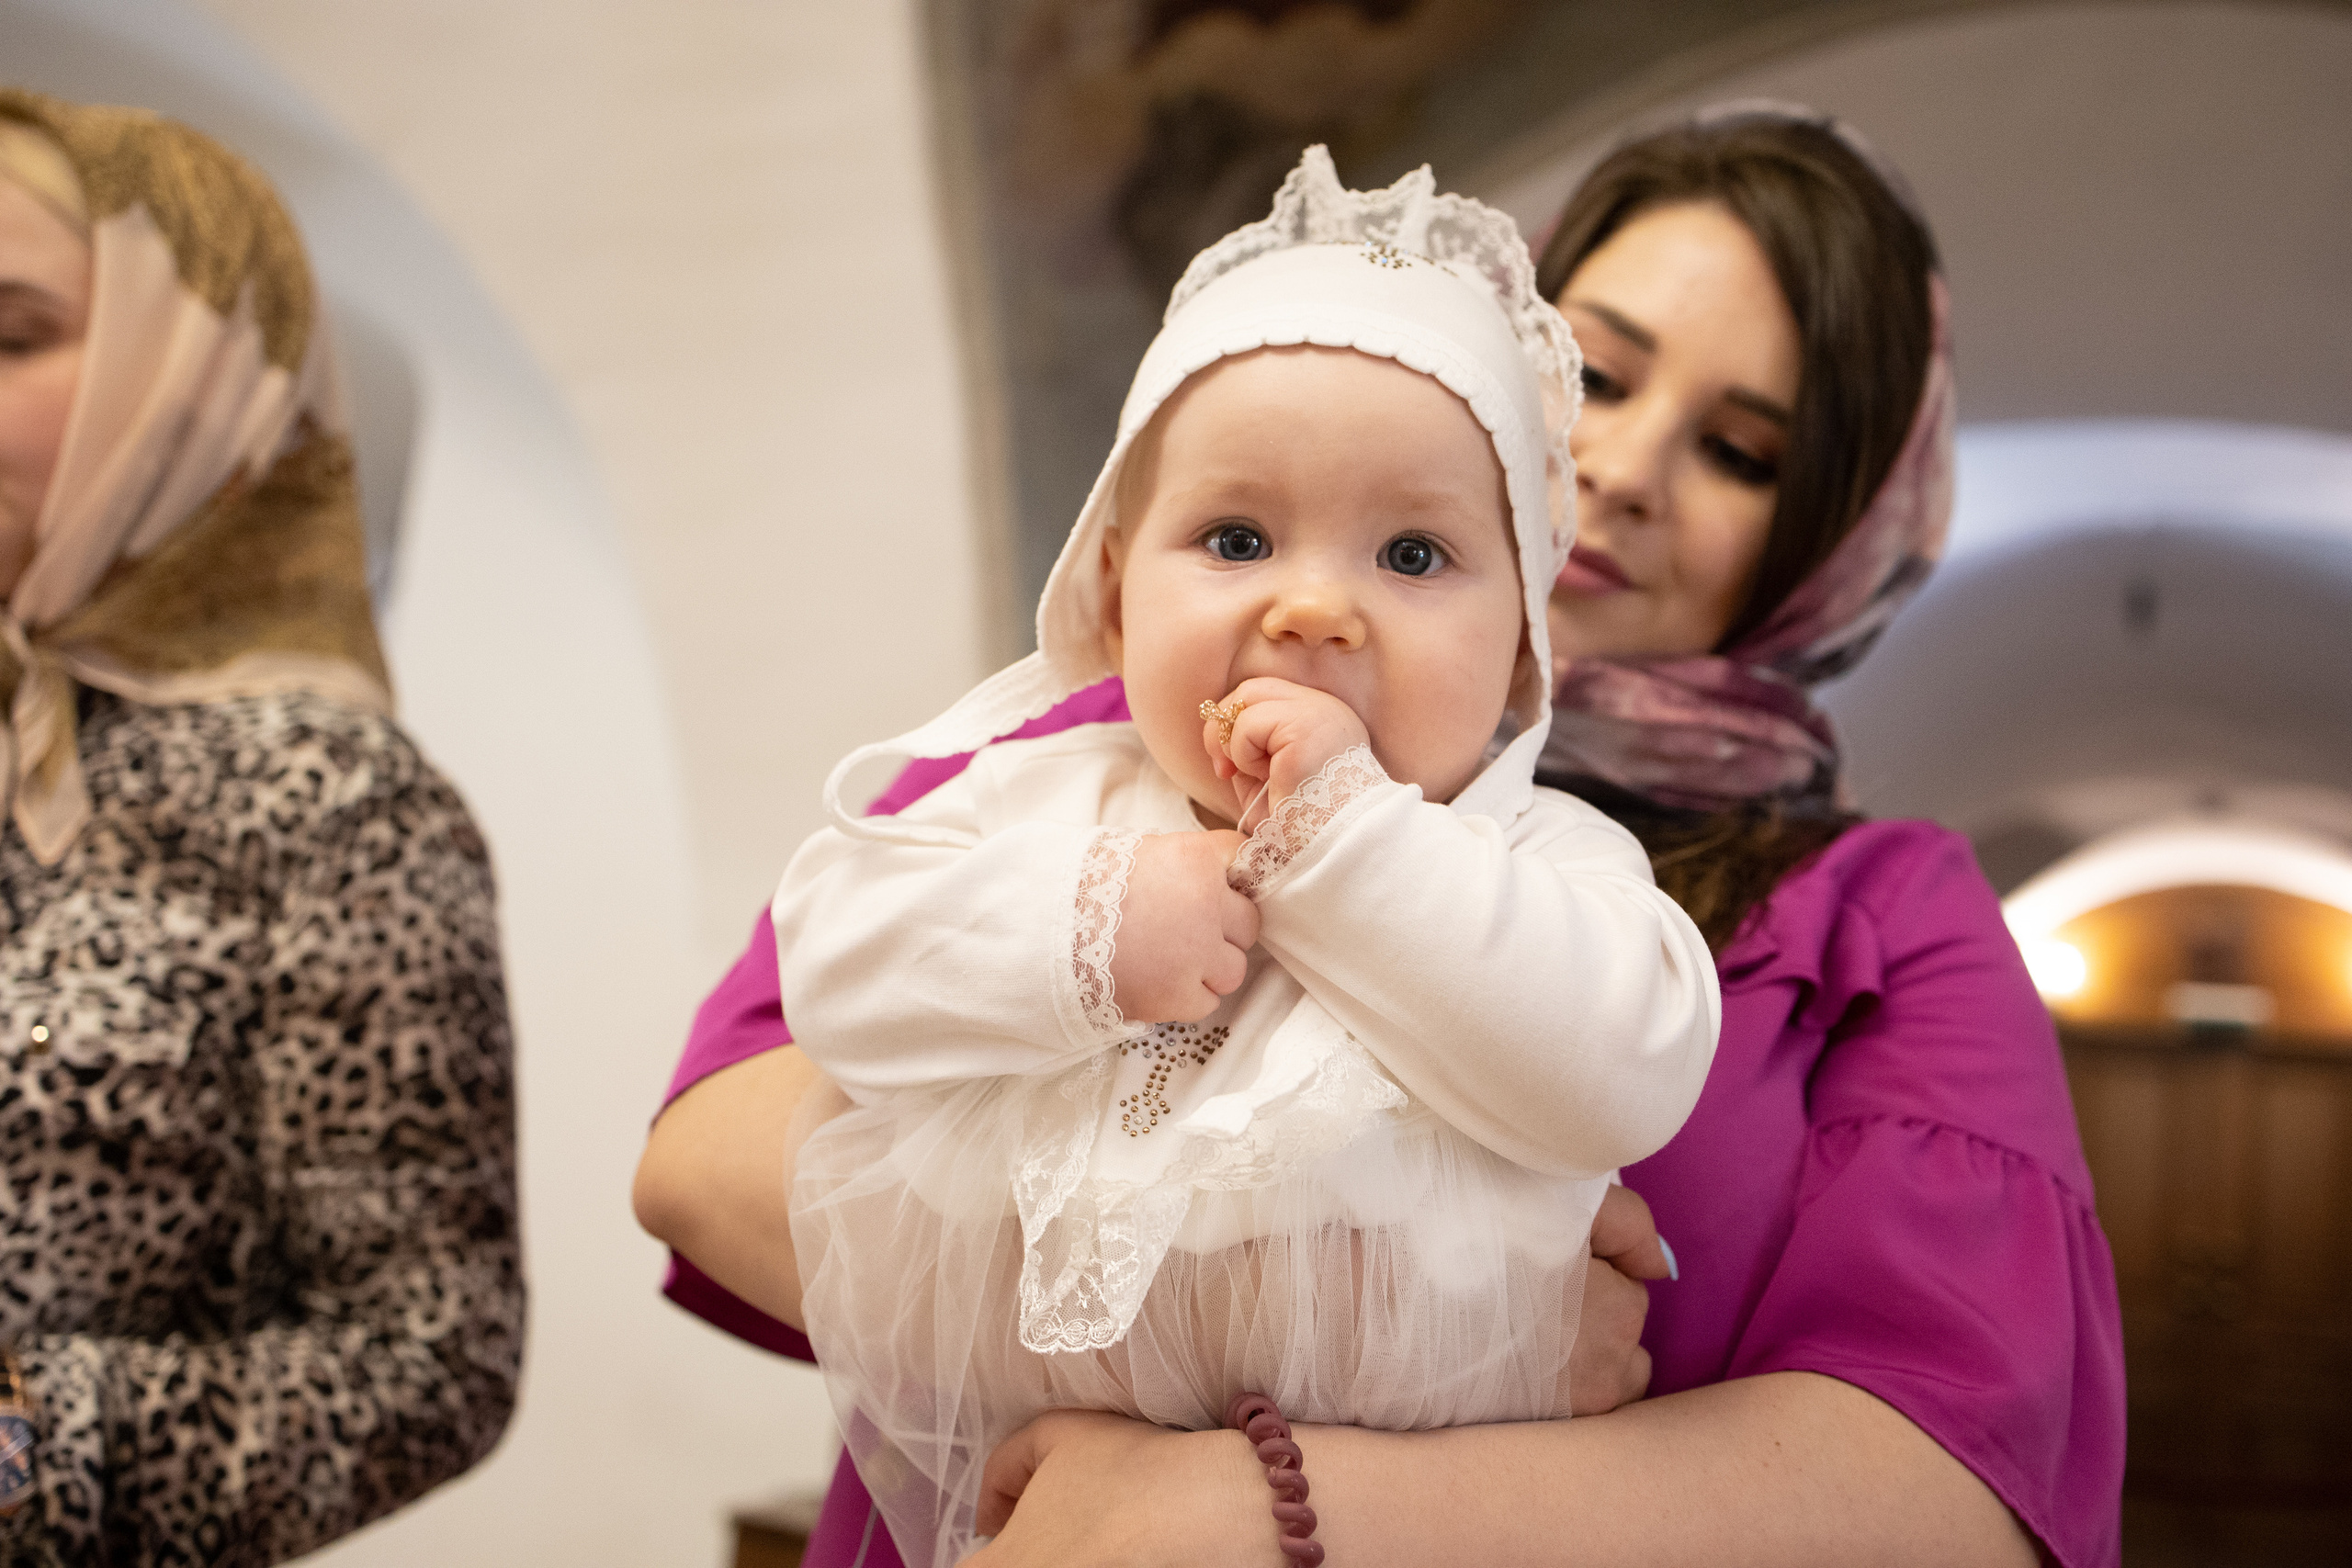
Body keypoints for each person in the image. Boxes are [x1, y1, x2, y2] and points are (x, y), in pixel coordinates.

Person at [635, 105, 2124, 1567]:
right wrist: (1400, 1321)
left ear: (1833, 542)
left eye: (1742, 452)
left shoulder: (1867, 907)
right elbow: (705, 1160)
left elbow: (1949, 1497)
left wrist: (1236, 1511)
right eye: (1599, 373)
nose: (1622, 467)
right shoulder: (1090, 760)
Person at [772, 147, 1718, 1568]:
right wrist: (1089, 930)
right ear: (1109, 582)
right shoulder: (1050, 803)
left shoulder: (1532, 856)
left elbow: (1627, 1066)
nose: (1316, 606)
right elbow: (836, 959)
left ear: (1524, 636)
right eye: (1235, 536)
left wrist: (1344, 841)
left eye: (1413, 555)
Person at [0, 91, 522, 1566]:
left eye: (11, 334)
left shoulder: (338, 811)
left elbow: (434, 1359)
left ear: (189, 381)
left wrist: (25, 1448)